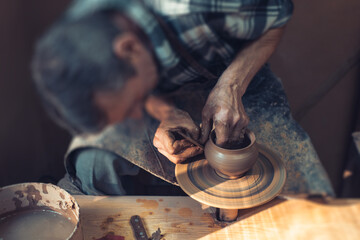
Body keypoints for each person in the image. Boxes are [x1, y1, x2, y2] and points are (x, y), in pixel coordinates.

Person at [32, 0, 334, 197]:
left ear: (129, 49)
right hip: (161, 87)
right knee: (93, 164)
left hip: (233, 72)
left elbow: (275, 21)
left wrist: (232, 85)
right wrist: (160, 112)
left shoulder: (210, 5)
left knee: (310, 197)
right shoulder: (86, 23)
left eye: (133, 104)